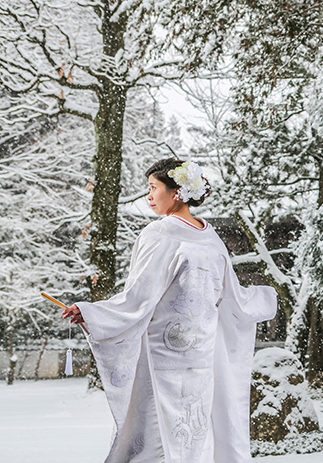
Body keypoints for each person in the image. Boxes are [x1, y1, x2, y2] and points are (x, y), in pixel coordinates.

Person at [63, 158, 278, 463]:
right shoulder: (211, 237)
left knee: (158, 441)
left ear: (176, 191)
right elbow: (234, 298)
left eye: (153, 188)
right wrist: (264, 299)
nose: (149, 196)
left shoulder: (160, 234)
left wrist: (92, 313)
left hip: (164, 356)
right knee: (194, 435)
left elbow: (137, 299)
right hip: (201, 358)